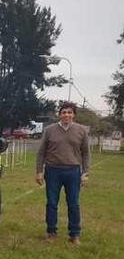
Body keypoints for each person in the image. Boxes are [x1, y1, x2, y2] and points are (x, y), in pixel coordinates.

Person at [35, 102, 90, 244]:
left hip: (73, 172)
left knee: (73, 204)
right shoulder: (49, 130)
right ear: (59, 114)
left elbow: (86, 154)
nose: (66, 115)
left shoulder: (81, 130)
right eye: (64, 112)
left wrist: (85, 173)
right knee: (52, 203)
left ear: (74, 115)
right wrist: (39, 171)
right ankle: (51, 232)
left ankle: (74, 234)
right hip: (53, 171)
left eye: (70, 112)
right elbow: (41, 152)